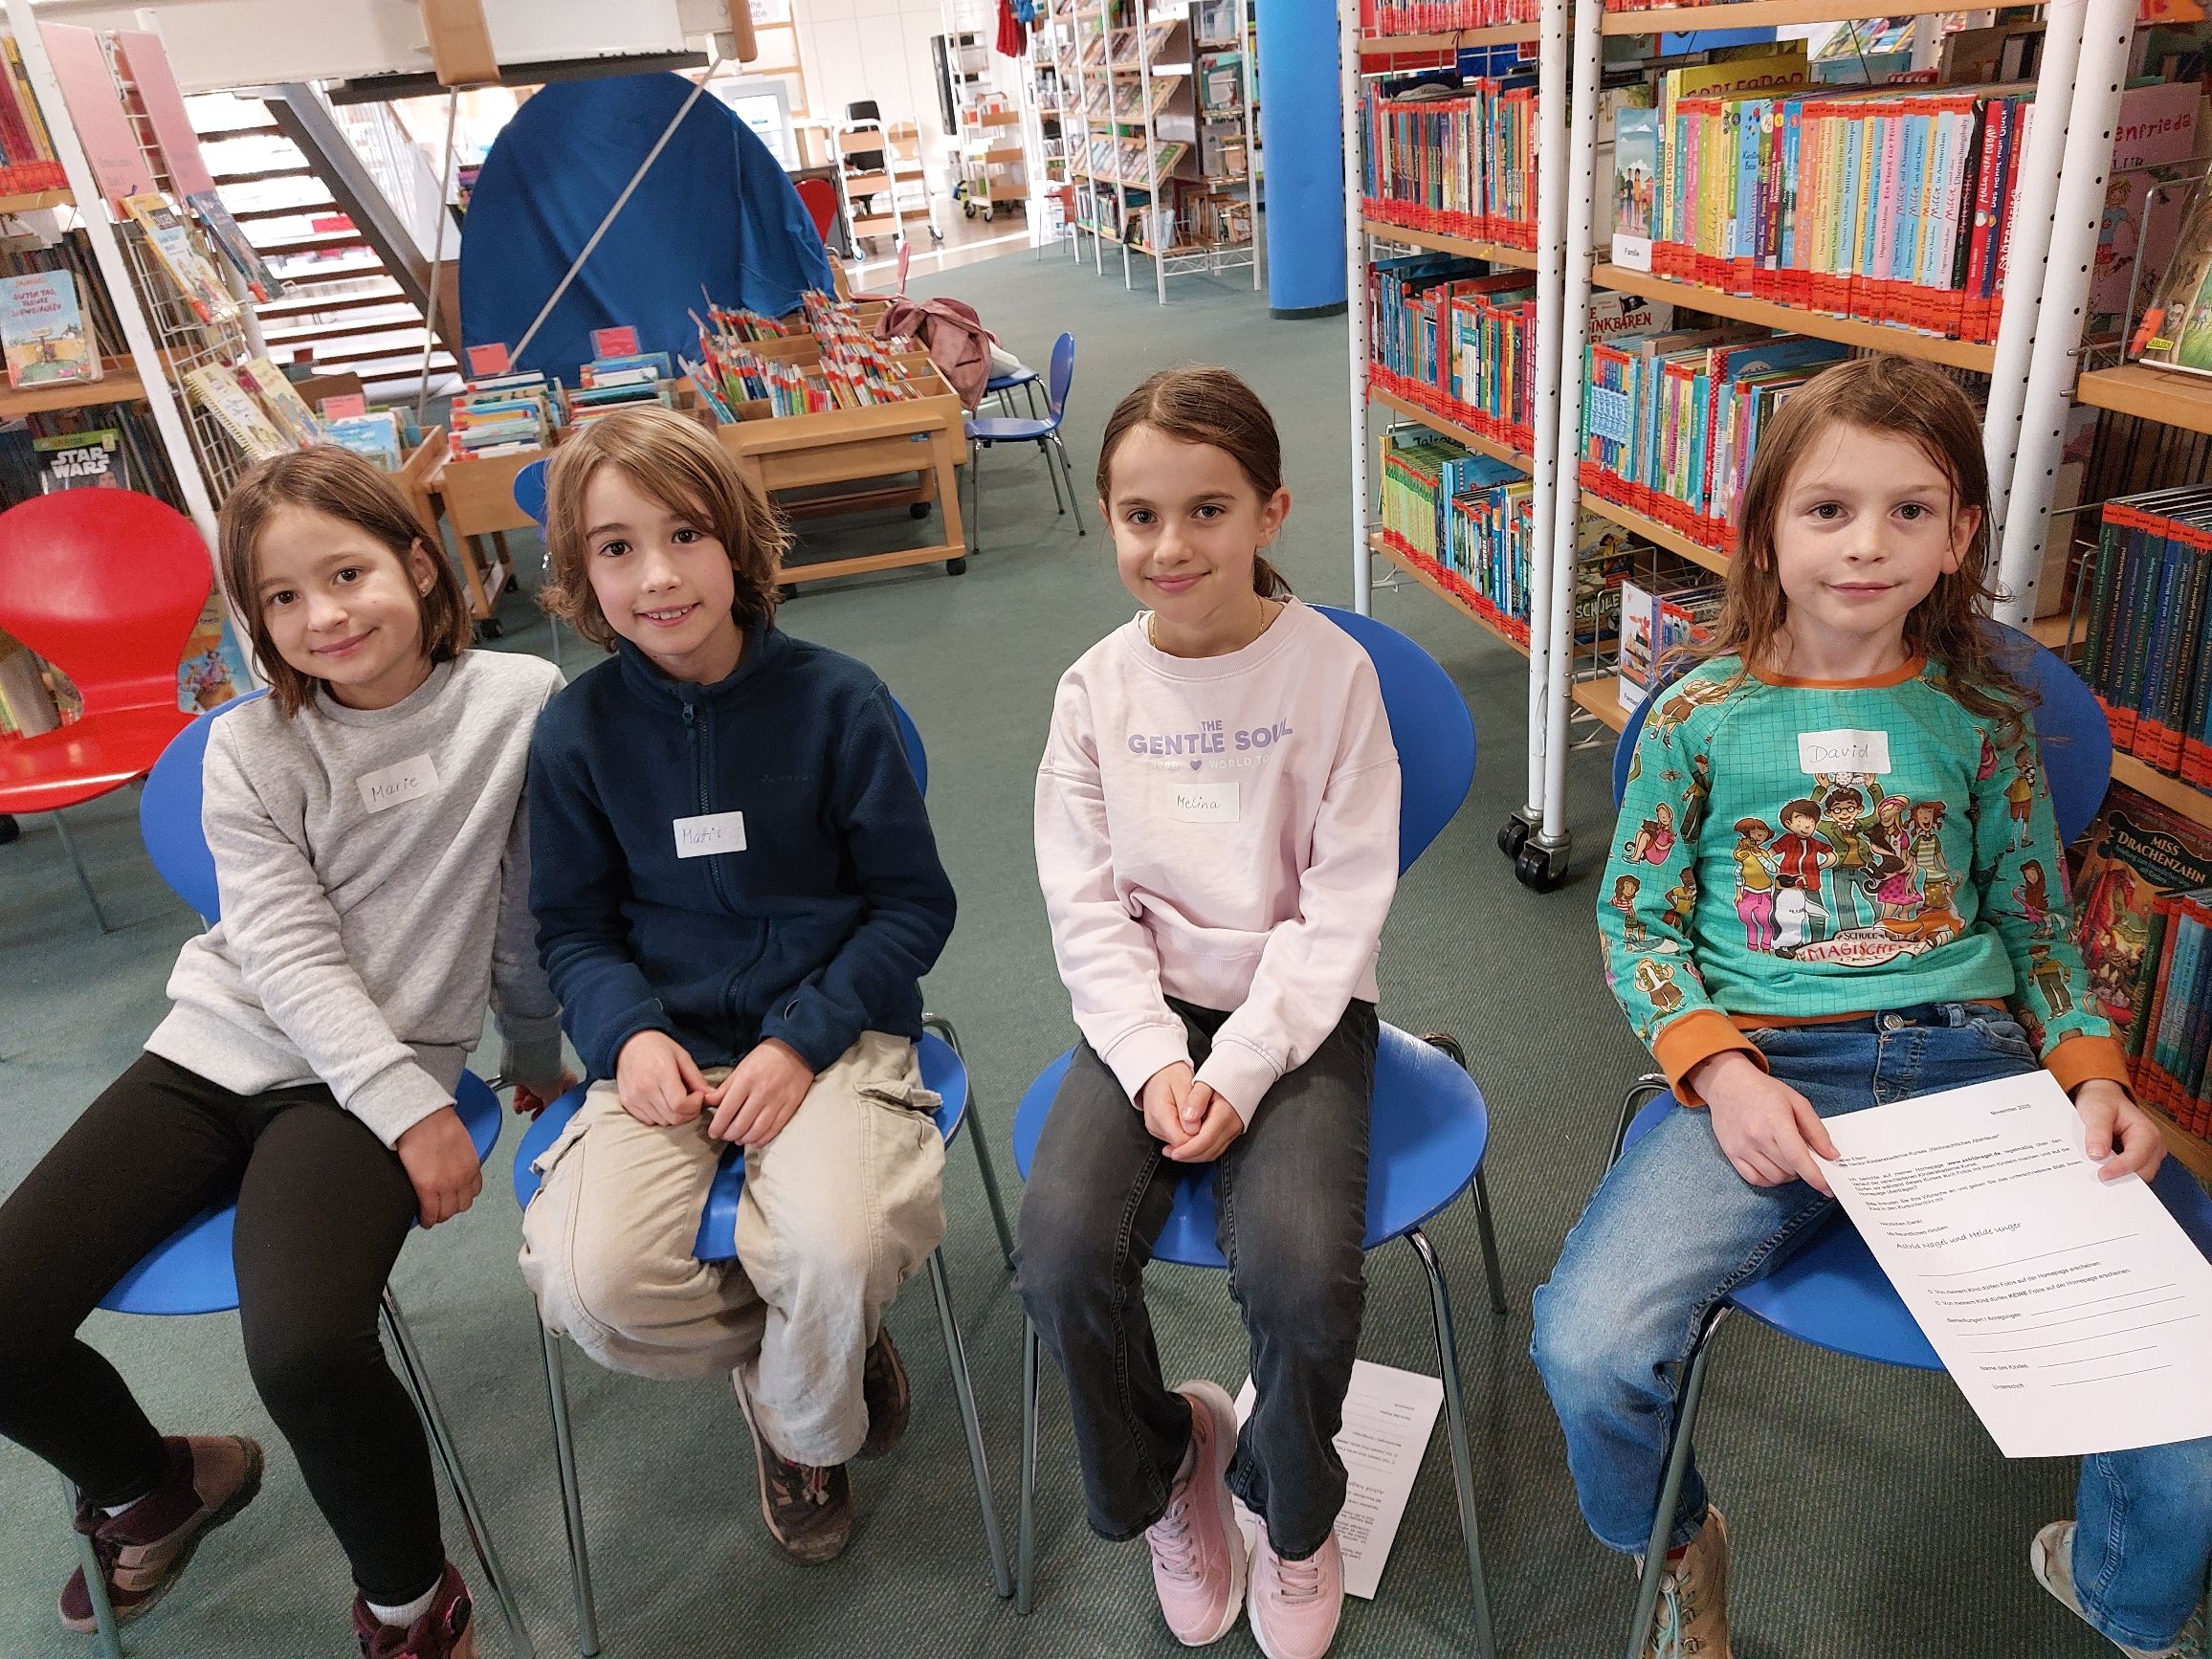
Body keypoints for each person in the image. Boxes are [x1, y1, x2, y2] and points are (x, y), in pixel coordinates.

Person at [1530, 354, 2212, 1659]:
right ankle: (1673, 1540)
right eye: (1829, 509)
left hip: (1974, 1067)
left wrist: (2094, 1073)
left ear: (1959, 536)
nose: (1865, 545)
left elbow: (2037, 924)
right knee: (1589, 1341)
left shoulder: (1980, 716)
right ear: (1766, 528)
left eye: (1911, 511)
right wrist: (1719, 1069)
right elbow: (1636, 921)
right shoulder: (1697, 712)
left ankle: (2124, 1597)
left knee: (2179, 1371)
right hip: (1770, 1069)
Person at [0, 447, 569, 1659]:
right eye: (282, 597)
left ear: (420, 564)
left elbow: (526, 907)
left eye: (347, 573)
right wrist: (414, 1115)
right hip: (218, 1051)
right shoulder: (249, 746)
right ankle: (156, 1484)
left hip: (367, 1077)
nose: (323, 616)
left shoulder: (520, 701)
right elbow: (285, 952)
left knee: (307, 1351)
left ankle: (412, 1607)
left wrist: (529, 1047)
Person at [518, 407, 955, 1568]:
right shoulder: (573, 735)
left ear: (738, 542)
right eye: (616, 549)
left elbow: (912, 907)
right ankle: (816, 1344)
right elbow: (573, 929)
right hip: (663, 1050)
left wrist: (802, 1039)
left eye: (686, 535)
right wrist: (624, 1033)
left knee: (838, 1246)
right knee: (590, 1288)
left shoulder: (837, 701)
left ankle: (802, 1421)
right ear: (579, 572)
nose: (658, 576)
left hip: (830, 1036)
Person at [1018, 366, 1401, 1659]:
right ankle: (1170, 1461)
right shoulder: (1092, 690)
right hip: (1144, 1009)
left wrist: (1236, 1069)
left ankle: (1291, 1516)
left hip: (1298, 1009)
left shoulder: (1331, 674)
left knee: (1299, 1280)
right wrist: (1147, 1059)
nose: (1170, 546)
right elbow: (1083, 906)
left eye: (1207, 510)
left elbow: (1341, 907)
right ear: (1110, 520)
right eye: (1140, 516)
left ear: (1270, 512)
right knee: (1059, 1257)